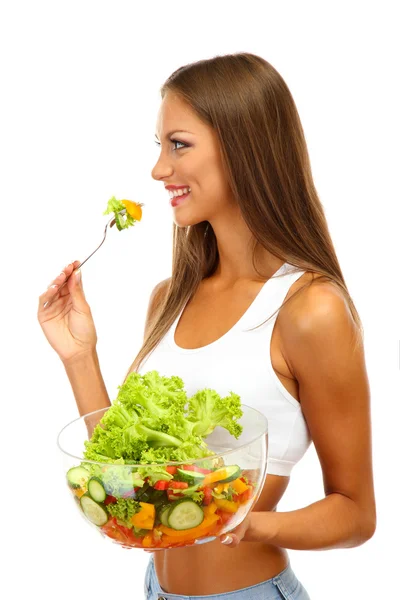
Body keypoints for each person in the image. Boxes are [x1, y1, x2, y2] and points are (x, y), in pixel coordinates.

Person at [37, 52, 376, 600]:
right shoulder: (168, 299)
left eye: (179, 144)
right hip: (155, 590)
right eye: (159, 146)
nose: (158, 169)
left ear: (243, 148)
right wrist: (79, 356)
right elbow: (133, 475)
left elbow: (356, 514)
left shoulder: (310, 309)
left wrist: (243, 521)